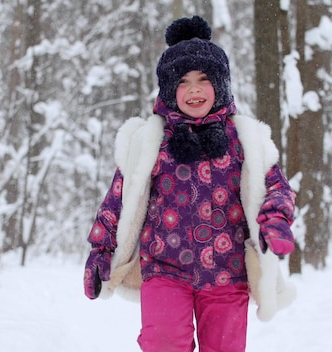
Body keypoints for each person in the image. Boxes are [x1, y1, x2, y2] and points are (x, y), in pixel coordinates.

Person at [83, 16, 296, 352]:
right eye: (182, 81)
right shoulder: (151, 140)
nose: (194, 89)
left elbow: (276, 186)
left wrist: (275, 219)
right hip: (164, 269)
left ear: (221, 85)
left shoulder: (245, 139)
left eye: (203, 79)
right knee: (164, 342)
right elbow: (119, 199)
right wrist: (101, 250)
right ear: (169, 90)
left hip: (229, 273)